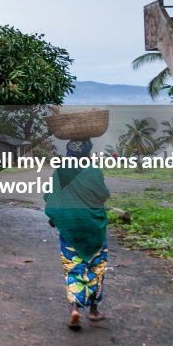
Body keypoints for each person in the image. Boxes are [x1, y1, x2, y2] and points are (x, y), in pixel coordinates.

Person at [43, 139, 110, 330]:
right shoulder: (94, 172)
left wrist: (55, 218)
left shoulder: (60, 172)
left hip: (70, 229)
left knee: (73, 268)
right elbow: (103, 195)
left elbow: (51, 196)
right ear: (88, 154)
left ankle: (74, 309)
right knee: (96, 268)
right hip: (93, 227)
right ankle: (94, 311)